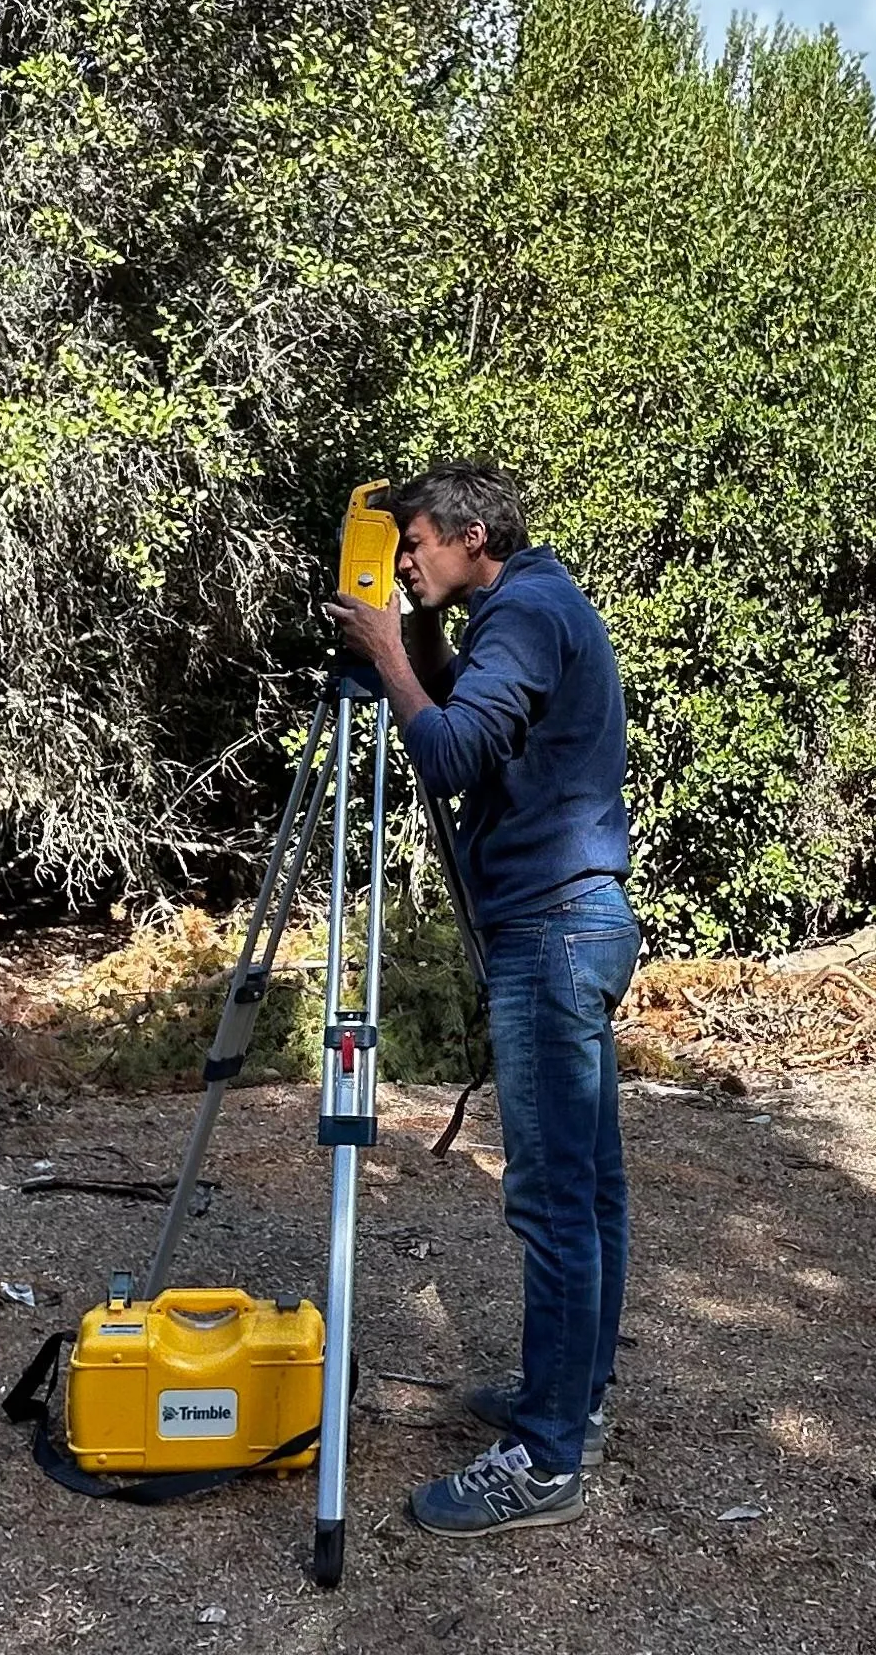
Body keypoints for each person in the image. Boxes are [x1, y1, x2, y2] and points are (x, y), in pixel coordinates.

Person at [322, 462, 639, 1538]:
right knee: (588, 1193)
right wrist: (412, 643)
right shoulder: (536, 603)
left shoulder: (526, 612)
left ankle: (546, 1460)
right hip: (577, 924)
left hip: (551, 935)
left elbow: (451, 751)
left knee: (552, 1203)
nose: (405, 561)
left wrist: (381, 652)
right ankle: (570, 1406)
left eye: (415, 543)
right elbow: (476, 707)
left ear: (469, 534)